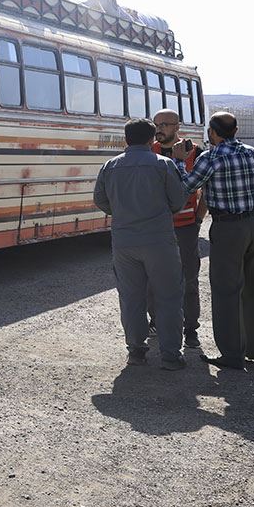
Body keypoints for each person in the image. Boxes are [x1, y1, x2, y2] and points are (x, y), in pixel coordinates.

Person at [173, 111, 254, 371]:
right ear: (235, 131)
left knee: (227, 291)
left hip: (228, 228)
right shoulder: (252, 153)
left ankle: (232, 354)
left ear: (212, 133)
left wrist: (180, 161)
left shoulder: (210, 157)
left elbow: (185, 187)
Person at [93, 118, 188, 370]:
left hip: (124, 242)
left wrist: (123, 212)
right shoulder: (163, 164)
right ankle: (170, 355)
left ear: (126, 139)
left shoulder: (109, 166)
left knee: (131, 297)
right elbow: (178, 201)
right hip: (159, 241)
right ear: (151, 140)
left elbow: (100, 201)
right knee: (167, 297)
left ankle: (136, 351)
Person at [146, 109, 207, 349]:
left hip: (185, 228)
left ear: (177, 127)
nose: (159, 129)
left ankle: (190, 329)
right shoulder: (149, 152)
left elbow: (205, 192)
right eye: (156, 124)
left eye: (165, 124)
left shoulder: (196, 153)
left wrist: (198, 220)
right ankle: (156, 322)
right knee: (153, 279)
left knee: (188, 280)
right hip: (157, 229)